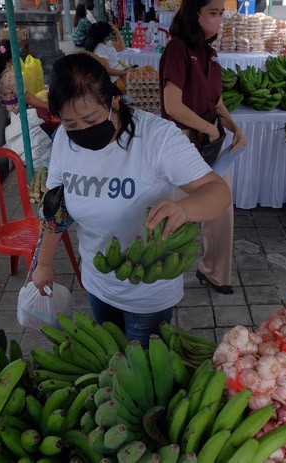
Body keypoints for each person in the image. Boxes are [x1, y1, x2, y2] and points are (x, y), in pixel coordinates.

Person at [31, 54, 231, 343]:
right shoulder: (64, 138)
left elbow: (218, 192)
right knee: (111, 355)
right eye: (71, 123)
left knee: (142, 362)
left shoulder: (157, 137)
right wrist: (44, 264)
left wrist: (185, 209)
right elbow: (56, 207)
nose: (82, 130)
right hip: (97, 281)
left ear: (114, 101)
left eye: (91, 119)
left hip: (148, 290)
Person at [159, 0, 246, 295]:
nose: (219, 19)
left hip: (212, 141)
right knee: (178, 214)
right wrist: (208, 129)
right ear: (194, 14)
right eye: (213, 13)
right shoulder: (178, 49)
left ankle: (215, 273)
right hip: (183, 141)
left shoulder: (210, 53)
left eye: (222, 13)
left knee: (221, 206)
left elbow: (216, 101)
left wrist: (234, 127)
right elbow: (173, 105)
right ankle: (162, 279)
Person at [0, 40, 57, 164]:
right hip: (15, 113)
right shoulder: (11, 76)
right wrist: (49, 106)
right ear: (13, 55)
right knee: (46, 115)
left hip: (8, 110)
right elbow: (28, 98)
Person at [85, 22, 130, 88]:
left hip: (121, 73)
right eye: (108, 33)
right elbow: (107, 70)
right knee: (143, 76)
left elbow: (121, 47)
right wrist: (124, 73)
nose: (110, 34)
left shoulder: (107, 43)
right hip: (115, 79)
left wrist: (117, 31)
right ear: (103, 35)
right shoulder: (100, 48)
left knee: (144, 71)